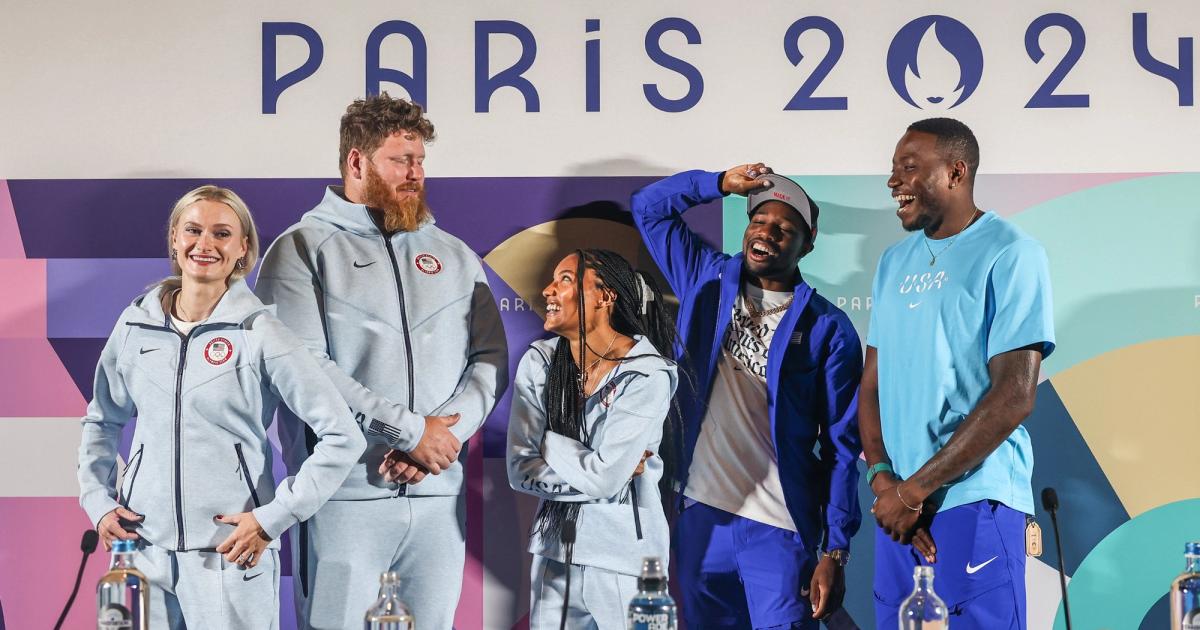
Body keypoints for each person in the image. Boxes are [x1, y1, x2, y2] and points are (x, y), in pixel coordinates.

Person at [254, 93, 509, 629]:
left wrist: (441, 440)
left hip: (438, 494)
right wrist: (407, 430)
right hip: (342, 496)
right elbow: (303, 366)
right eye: (401, 160)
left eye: (420, 161)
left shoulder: (457, 255)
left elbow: (489, 360)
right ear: (356, 163)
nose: (415, 173)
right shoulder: (302, 248)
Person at [77, 185, 365, 629]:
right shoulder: (135, 324)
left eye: (221, 233)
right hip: (142, 551)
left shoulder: (261, 332)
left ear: (243, 248)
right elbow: (102, 418)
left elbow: (342, 435)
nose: (204, 244)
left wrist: (273, 518)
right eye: (192, 230)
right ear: (174, 238)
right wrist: (97, 500)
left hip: (229, 554)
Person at [630, 166, 863, 628]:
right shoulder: (705, 279)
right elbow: (648, 208)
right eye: (759, 221)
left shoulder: (828, 327)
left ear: (808, 242)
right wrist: (717, 184)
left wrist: (836, 548)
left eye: (784, 228)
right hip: (700, 515)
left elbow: (841, 448)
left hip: (779, 526)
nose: (767, 233)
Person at [861, 117, 1054, 629]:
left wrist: (914, 491)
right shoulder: (892, 263)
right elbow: (871, 385)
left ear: (955, 171)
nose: (893, 181)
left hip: (975, 500)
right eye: (893, 168)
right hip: (898, 510)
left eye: (909, 167)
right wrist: (885, 481)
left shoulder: (1012, 253)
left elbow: (1014, 395)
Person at [507, 249, 679, 630]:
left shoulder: (648, 374)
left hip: (628, 559)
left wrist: (549, 443)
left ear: (604, 296)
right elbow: (520, 471)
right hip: (554, 552)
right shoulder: (539, 361)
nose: (549, 290)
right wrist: (597, 467)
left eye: (566, 279)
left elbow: (604, 478)